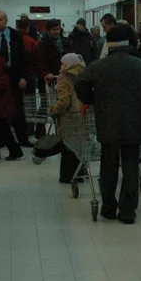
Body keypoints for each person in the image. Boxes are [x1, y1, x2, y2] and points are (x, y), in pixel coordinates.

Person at [75, 24, 141, 224]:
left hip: (107, 121)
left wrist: (94, 99)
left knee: (108, 164)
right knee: (131, 165)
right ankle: (128, 211)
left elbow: (80, 84)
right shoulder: (140, 65)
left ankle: (109, 207)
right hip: (134, 121)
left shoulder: (98, 65)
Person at [0, 11, 31, 147]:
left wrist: (23, 77)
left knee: (18, 108)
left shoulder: (15, 36)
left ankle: (23, 138)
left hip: (14, 77)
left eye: (0, 20)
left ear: (6, 20)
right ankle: (2, 140)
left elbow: (23, 58)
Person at [49, 53, 85, 184]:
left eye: (62, 63)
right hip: (81, 115)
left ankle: (67, 175)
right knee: (78, 145)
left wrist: (53, 110)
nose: (60, 66)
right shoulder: (82, 76)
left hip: (68, 117)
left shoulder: (63, 79)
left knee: (67, 146)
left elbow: (63, 102)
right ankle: (80, 174)